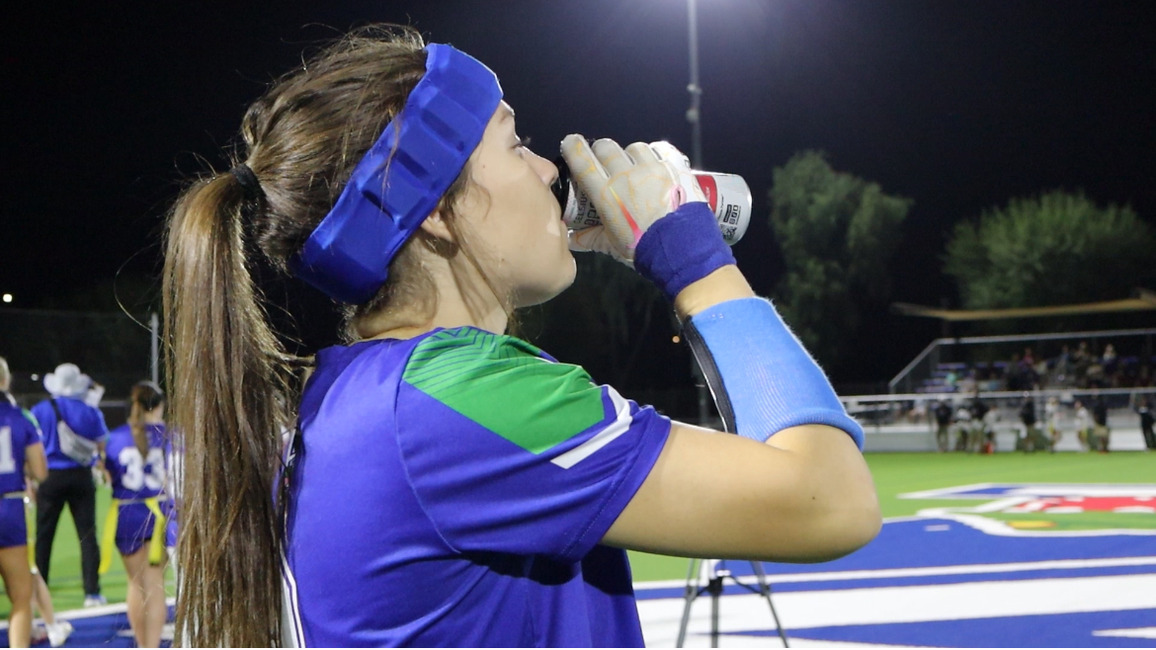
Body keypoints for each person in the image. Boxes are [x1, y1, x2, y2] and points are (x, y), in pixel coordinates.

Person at [162, 26, 880, 647]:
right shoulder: (460, 398)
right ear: (437, 209)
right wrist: (697, 260)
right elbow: (831, 500)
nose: (547, 171)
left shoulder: (362, 391)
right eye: (516, 143)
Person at [100, 381, 174, 647]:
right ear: (160, 405)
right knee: (154, 586)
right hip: (159, 514)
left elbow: (106, 473)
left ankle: (142, 645)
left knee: (135, 584)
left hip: (126, 513)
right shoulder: (170, 435)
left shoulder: (116, 436)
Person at [30, 362, 110, 607]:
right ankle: (92, 592)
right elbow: (101, 446)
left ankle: (39, 591)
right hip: (81, 477)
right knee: (87, 536)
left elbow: (31, 447)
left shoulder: (40, 410)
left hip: (49, 477)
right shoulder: (89, 410)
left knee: (44, 536)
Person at [1, 356, 49, 648]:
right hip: (8, 507)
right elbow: (40, 471)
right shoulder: (20, 417)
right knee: (20, 596)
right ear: (5, 381)